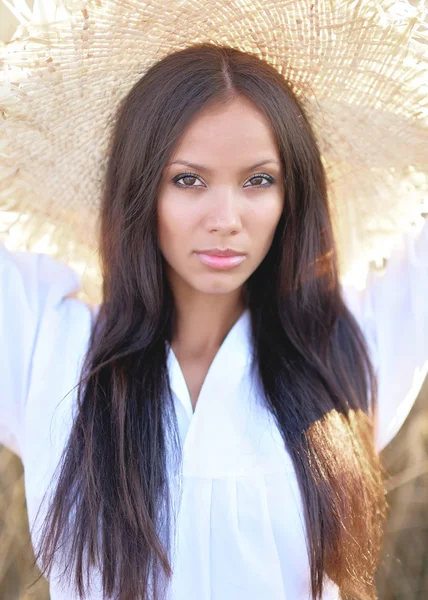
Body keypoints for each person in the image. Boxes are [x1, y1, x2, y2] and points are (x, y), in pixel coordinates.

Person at [0, 43, 427, 600]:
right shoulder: (47, 346)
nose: (225, 220)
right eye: (187, 180)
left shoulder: (348, 347)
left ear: (291, 193)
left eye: (258, 180)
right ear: (140, 188)